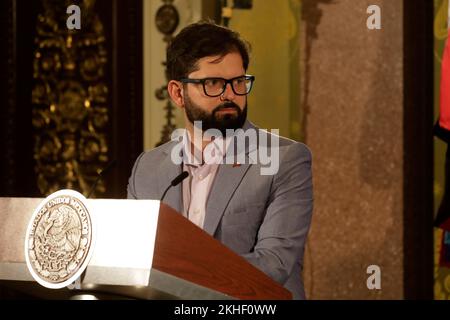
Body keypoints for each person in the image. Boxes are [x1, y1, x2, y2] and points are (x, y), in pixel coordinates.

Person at [127, 20, 313, 299]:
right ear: (178, 93)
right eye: (213, 83)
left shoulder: (285, 159)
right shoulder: (148, 169)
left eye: (238, 82)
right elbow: (134, 258)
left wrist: (180, 278)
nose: (230, 95)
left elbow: (274, 263)